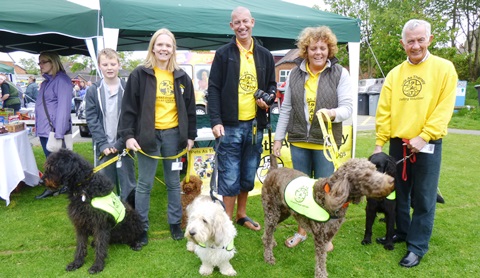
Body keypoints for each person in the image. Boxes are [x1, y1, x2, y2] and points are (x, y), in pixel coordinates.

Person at [373, 19, 458, 268]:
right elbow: (384, 111)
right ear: (403, 43)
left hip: (428, 144)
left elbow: (444, 109)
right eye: (410, 41)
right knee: (399, 191)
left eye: (421, 39)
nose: (416, 45)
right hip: (399, 144)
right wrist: (380, 143)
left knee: (423, 197)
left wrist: (425, 135)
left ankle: (417, 246)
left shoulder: (444, 69)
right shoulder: (395, 74)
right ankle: (403, 231)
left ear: (429, 40)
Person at [272, 26, 353, 249]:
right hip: (298, 141)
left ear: (330, 49)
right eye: (313, 48)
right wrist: (278, 139)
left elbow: (347, 108)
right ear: (305, 50)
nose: (318, 52)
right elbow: (285, 108)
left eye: (323, 48)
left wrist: (332, 113)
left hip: (325, 144)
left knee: (327, 191)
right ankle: (302, 232)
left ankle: (325, 235)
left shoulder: (339, 73)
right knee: (302, 191)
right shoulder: (295, 74)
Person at [118, 28, 197, 245]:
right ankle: (141, 227)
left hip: (174, 137)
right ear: (153, 47)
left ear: (173, 49)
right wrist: (128, 136)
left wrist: (190, 136)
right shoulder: (139, 74)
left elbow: (190, 110)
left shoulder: (181, 76)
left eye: (168, 45)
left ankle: (174, 223)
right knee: (144, 184)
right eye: (159, 44)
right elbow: (128, 110)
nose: (164, 49)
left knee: (173, 183)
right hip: (148, 137)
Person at [207, 6, 277, 231]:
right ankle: (226, 223)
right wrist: (216, 120)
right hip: (230, 125)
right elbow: (214, 89)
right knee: (229, 175)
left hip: (255, 125)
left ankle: (241, 214)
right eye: (237, 22)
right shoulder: (223, 54)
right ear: (231, 26)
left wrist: (269, 99)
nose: (242, 26)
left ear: (252, 22)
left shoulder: (265, 54)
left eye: (245, 21)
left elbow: (272, 87)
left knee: (248, 173)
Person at [85, 48, 136, 202]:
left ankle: (129, 214)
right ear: (99, 66)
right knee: (104, 183)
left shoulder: (128, 88)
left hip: (124, 143)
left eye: (113, 64)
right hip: (103, 147)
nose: (109, 68)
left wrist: (121, 142)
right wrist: (103, 143)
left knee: (128, 182)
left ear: (119, 65)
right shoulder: (93, 91)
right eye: (105, 64)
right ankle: (107, 214)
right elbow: (92, 118)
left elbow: (133, 116)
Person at [34, 51, 73, 199]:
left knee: (55, 162)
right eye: (39, 62)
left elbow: (63, 109)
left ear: (53, 62)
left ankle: (53, 187)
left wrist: (59, 133)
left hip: (54, 129)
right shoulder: (45, 83)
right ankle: (63, 184)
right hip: (45, 129)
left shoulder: (61, 81)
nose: (40, 65)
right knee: (52, 160)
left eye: (44, 62)